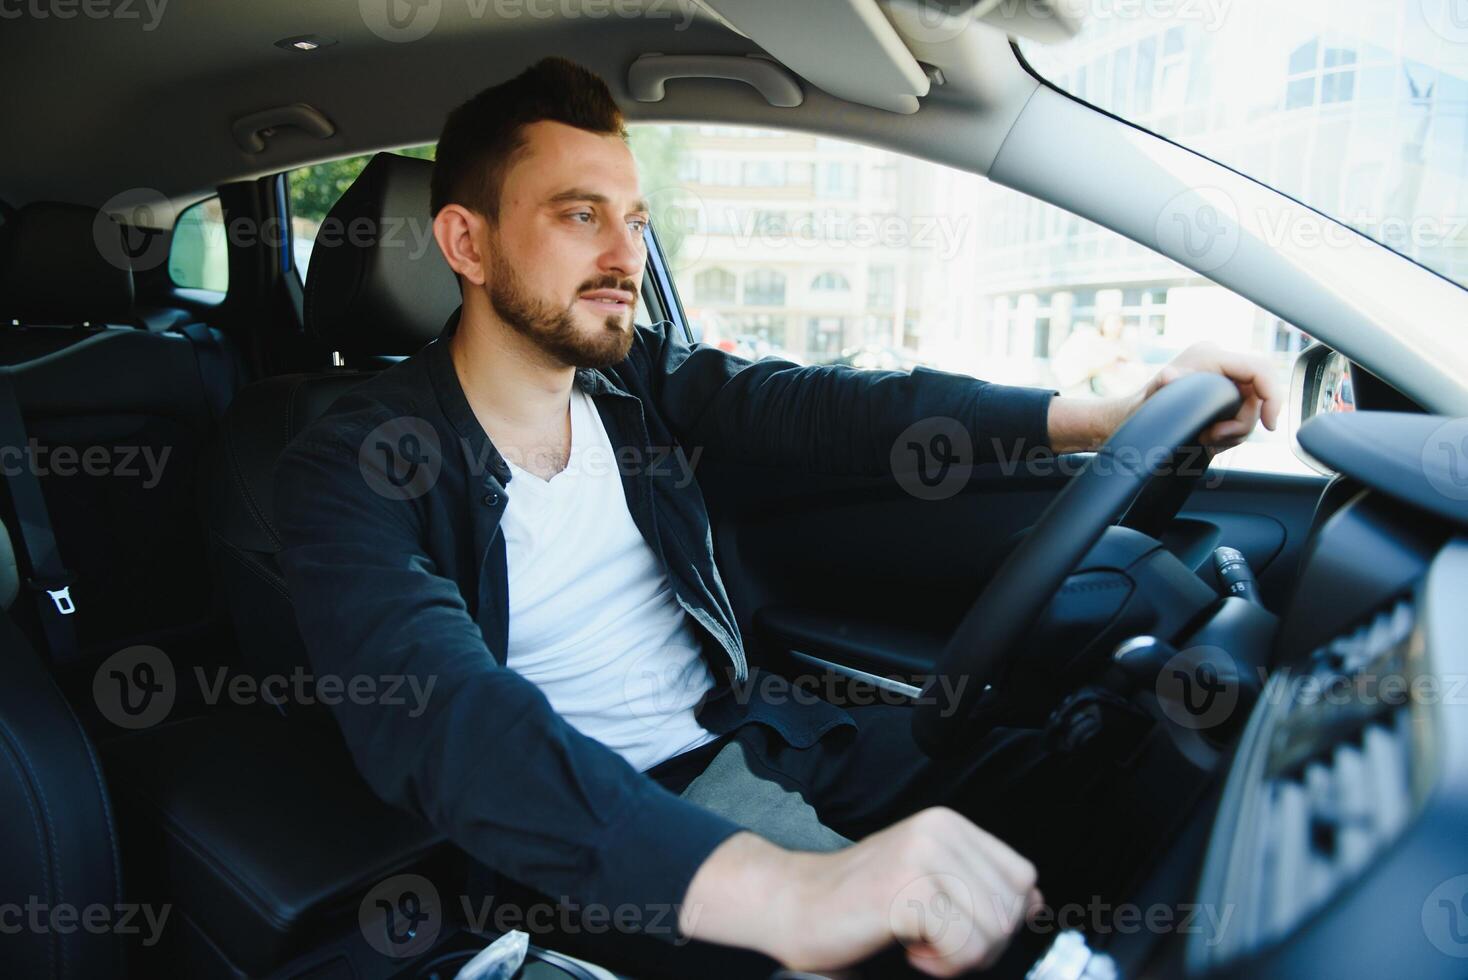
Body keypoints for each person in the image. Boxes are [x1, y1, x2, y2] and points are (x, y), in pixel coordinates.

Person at [273, 57, 1281, 977]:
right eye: (581, 215)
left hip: (749, 734)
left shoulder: (633, 387)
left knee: (1101, 769)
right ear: (467, 241)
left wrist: (1110, 416)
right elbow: (441, 713)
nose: (626, 252)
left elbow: (840, 409)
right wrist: (791, 888)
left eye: (636, 217)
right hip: (580, 839)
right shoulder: (353, 462)